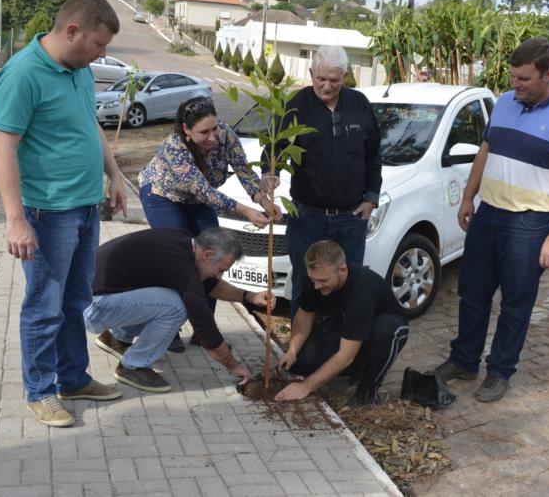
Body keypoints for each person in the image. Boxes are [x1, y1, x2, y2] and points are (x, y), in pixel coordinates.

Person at [0, 0, 127, 427]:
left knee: (76, 301)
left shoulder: (79, 70)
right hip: (48, 214)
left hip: (86, 207)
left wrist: (116, 176)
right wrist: (16, 219)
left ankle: (73, 378)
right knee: (44, 306)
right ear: (72, 31)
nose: (103, 54)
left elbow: (90, 125)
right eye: (98, 44)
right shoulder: (23, 74)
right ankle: (40, 390)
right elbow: (3, 149)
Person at [433, 38, 549, 403]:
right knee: (472, 294)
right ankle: (463, 361)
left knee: (516, 303)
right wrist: (468, 196)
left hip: (531, 223)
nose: (514, 85)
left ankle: (500, 371)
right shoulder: (505, 103)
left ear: (548, 73)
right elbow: (486, 150)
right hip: (489, 213)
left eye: (523, 79)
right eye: (512, 76)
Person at [139, 97, 280, 352]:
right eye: (204, 132)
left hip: (197, 199)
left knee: (214, 255)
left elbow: (244, 171)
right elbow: (203, 191)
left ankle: (204, 329)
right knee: (177, 257)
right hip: (162, 196)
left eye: (215, 128)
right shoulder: (175, 147)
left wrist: (263, 201)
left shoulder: (226, 135)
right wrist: (246, 211)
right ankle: (167, 327)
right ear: (186, 130)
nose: (213, 136)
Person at [265, 45, 382, 318]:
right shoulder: (294, 105)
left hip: (351, 218)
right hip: (307, 217)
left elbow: (374, 154)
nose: (327, 86)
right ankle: (301, 352)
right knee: (306, 283)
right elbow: (274, 148)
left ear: (345, 76)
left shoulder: (359, 104)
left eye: (334, 80)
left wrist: (371, 197)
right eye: (321, 79)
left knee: (349, 283)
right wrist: (270, 177)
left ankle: (342, 348)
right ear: (311, 74)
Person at [84, 227, 272, 392]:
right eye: (221, 269)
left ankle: (116, 338)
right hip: (92, 307)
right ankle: (132, 367)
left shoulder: (183, 244)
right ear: (207, 254)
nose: (219, 275)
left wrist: (249, 295)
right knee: (178, 306)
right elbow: (205, 327)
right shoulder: (182, 266)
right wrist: (234, 366)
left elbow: (211, 285)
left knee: (169, 295)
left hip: (94, 296)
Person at [274, 240, 408, 406]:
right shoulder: (314, 275)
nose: (316, 286)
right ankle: (355, 369)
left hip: (383, 325)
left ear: (342, 269)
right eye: (313, 280)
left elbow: (346, 355)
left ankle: (367, 393)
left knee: (384, 331)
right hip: (344, 324)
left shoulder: (361, 291)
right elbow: (305, 314)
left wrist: (305, 387)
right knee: (300, 365)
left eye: (322, 281)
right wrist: (292, 350)